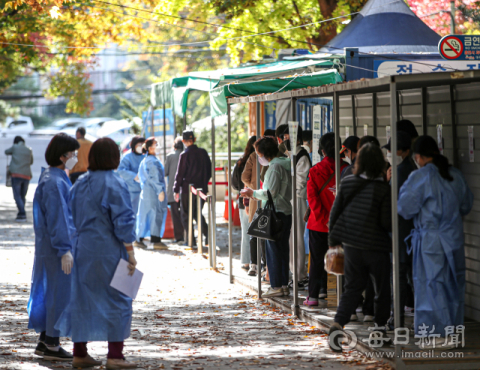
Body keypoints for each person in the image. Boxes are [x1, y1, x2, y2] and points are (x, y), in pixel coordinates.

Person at [63, 137, 138, 369]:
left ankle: (80, 353)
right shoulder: (116, 183)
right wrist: (131, 252)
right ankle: (115, 356)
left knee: (81, 299)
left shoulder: (79, 183)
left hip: (81, 249)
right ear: (114, 157)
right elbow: (123, 222)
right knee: (119, 299)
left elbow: (71, 216)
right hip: (109, 251)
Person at [398, 135, 473, 347]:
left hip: (431, 241)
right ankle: (455, 333)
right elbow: (466, 204)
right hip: (454, 238)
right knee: (454, 286)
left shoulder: (419, 177)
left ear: (419, 157)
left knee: (431, 286)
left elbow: (404, 207)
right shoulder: (455, 175)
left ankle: (438, 335)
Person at [328, 143, 392, 352]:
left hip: (352, 245)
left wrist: (333, 241)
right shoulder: (383, 188)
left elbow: (335, 213)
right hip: (376, 247)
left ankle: (338, 325)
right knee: (381, 289)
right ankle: (379, 331)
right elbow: (386, 222)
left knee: (353, 287)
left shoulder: (347, 182)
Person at [28, 133, 79, 361]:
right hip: (56, 249)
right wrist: (64, 249)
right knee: (58, 295)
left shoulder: (53, 177)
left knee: (51, 293)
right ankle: (52, 344)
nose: (75, 157)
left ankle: (45, 340)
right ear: (62, 156)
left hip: (51, 247)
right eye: (73, 153)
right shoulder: (55, 181)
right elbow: (59, 218)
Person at [241, 136, 292, 298]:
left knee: (274, 251)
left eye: (258, 154)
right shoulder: (285, 164)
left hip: (276, 212)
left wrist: (252, 193)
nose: (258, 157)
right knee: (282, 250)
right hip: (284, 212)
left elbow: (270, 193)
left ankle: (276, 285)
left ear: (265, 153)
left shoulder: (275, 167)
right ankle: (283, 284)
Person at [303, 133, 346, 306]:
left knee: (316, 260)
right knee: (344, 259)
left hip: (318, 224)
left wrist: (324, 219)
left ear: (322, 150)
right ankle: (346, 297)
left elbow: (312, 199)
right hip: (342, 224)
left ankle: (314, 296)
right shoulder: (346, 169)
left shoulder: (314, 171)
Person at [384, 130, 416, 329]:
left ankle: (396, 319)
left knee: (399, 276)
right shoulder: (413, 168)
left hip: (400, 231)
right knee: (412, 276)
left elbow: (392, 201)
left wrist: (387, 182)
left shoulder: (400, 171)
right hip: (414, 231)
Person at [282, 125, 311, 289]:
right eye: (285, 138)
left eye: (289, 138)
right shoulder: (290, 154)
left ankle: (300, 275)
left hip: (297, 199)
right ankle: (294, 273)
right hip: (290, 198)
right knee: (291, 238)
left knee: (297, 237)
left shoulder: (302, 155)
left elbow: (300, 182)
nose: (286, 141)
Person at [173, 130, 212, 246]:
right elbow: (209, 171)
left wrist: (176, 189)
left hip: (187, 189)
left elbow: (180, 174)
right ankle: (208, 236)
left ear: (183, 141)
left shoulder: (184, 155)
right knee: (197, 213)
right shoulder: (203, 153)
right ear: (194, 139)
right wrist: (203, 183)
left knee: (186, 214)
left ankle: (191, 240)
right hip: (202, 189)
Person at [135, 137, 168, 249]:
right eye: (156, 144)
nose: (157, 146)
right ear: (150, 148)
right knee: (155, 215)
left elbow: (140, 177)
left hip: (146, 192)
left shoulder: (145, 160)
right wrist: (160, 191)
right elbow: (155, 178)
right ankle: (156, 240)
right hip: (154, 193)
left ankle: (139, 238)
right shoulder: (153, 162)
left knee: (144, 217)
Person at [232, 136, 257, 271]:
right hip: (258, 200)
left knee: (246, 232)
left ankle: (246, 261)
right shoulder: (262, 162)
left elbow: (234, 183)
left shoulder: (240, 162)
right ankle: (257, 262)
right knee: (258, 233)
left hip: (243, 200)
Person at [4, 136, 33, 222]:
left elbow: (6, 152)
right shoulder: (29, 149)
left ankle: (22, 213)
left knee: (17, 195)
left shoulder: (14, 147)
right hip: (27, 175)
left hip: (16, 175)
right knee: (22, 195)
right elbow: (31, 162)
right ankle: (21, 214)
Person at [117, 136, 146, 218]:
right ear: (133, 145)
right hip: (132, 192)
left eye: (142, 144)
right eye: (139, 144)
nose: (141, 146)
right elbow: (121, 171)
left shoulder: (146, 156)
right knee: (133, 215)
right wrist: (134, 176)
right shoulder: (127, 157)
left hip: (146, 191)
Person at [164, 137, 185, 243]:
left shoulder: (170, 156)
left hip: (173, 190)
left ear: (174, 146)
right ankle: (189, 235)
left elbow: (165, 172)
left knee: (175, 215)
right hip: (185, 190)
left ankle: (179, 237)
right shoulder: (186, 155)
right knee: (186, 213)